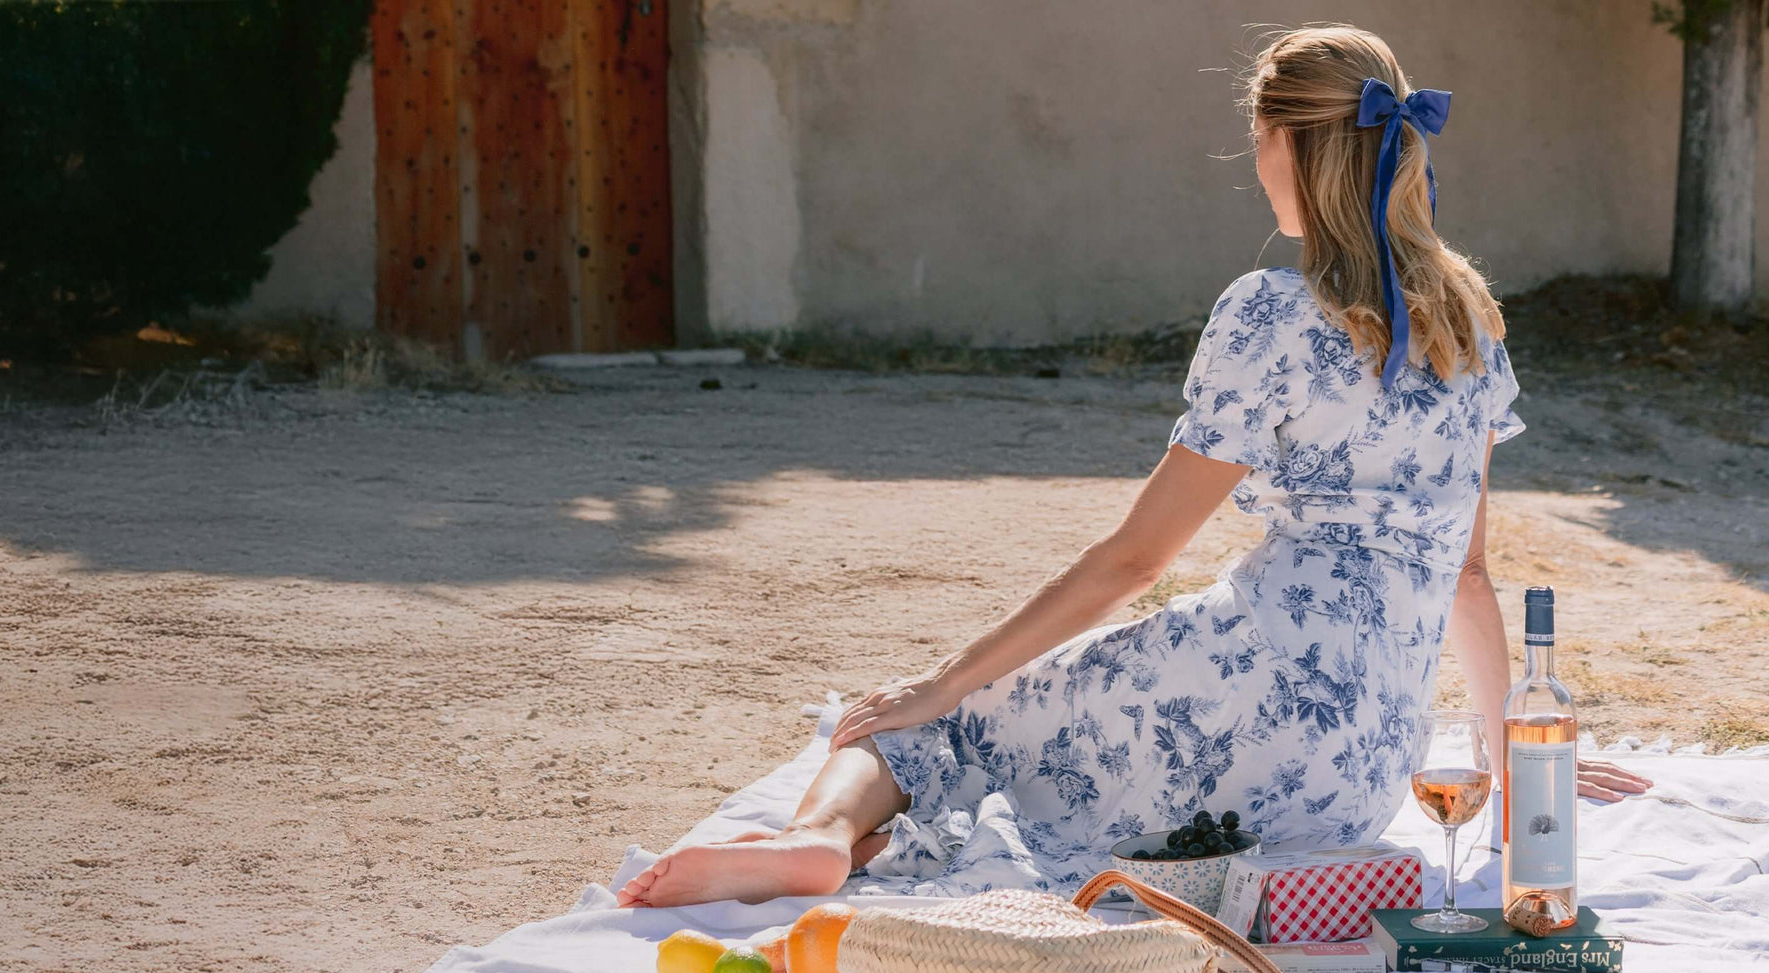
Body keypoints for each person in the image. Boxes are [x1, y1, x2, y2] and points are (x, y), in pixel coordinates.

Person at [619, 24, 1649, 909]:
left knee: (942, 718)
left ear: (1286, 143)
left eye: (1256, 140)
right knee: (1015, 731)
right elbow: (1467, 575)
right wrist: (1514, 779)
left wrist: (938, 683)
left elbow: (1134, 560)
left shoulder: (1272, 314)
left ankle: (818, 838)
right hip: (1358, 776)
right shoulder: (1470, 327)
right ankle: (865, 840)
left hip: (1241, 691)